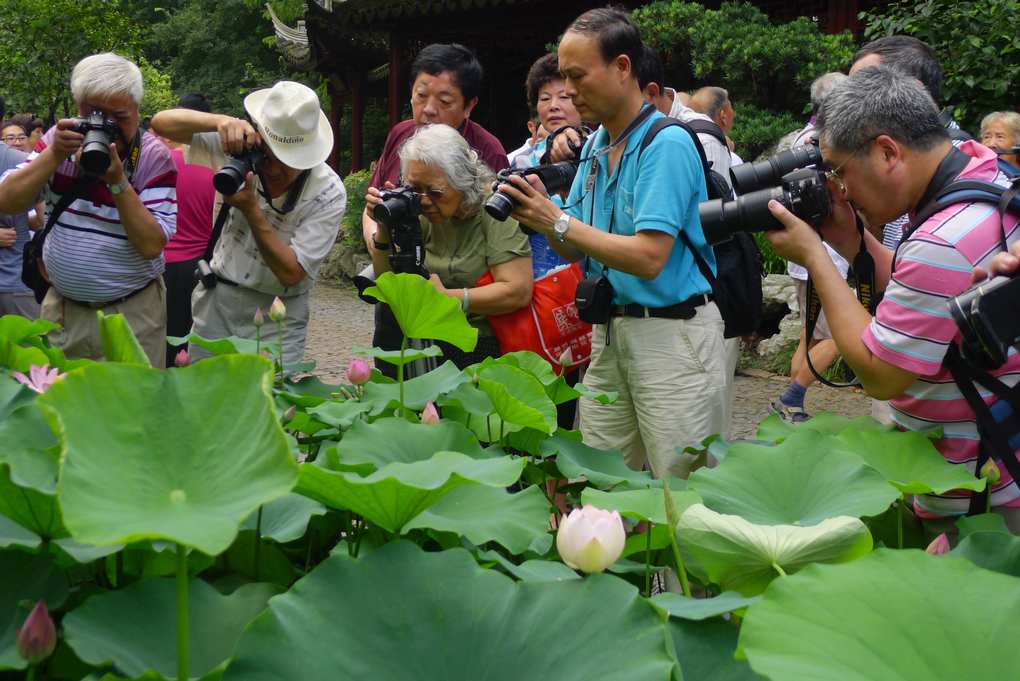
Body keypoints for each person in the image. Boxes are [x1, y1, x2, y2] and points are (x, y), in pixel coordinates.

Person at [763, 65, 1020, 532]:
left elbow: (880, 375)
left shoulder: (940, 241)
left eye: (840, 172)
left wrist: (815, 256)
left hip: (983, 491)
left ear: (887, 152)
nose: (840, 188)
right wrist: (849, 241)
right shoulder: (982, 170)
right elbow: (927, 299)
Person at [500, 8, 727, 479]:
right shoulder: (599, 144)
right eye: (562, 78)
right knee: (600, 481)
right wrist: (542, 213)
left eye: (577, 77)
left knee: (681, 485)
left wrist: (557, 220)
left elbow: (649, 257)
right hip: (609, 334)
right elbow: (574, 247)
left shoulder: (666, 143)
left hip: (673, 334)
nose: (567, 91)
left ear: (622, 67)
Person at [151, 80, 346, 368]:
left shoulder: (328, 191)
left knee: (269, 404)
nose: (278, 169)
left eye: (289, 159)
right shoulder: (239, 152)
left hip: (279, 313)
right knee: (203, 400)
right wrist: (222, 122)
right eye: (271, 156)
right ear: (258, 138)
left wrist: (252, 210)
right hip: (217, 300)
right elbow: (162, 123)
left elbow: (292, 273)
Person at [0, 53, 177, 365]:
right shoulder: (60, 140)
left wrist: (119, 182)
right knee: (64, 407)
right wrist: (53, 155)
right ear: (79, 108)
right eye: (95, 114)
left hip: (132, 312)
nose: (106, 127)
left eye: (118, 117)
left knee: (132, 409)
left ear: (137, 110)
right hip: (64, 310)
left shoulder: (152, 157)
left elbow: (152, 245)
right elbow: (7, 200)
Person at [362, 43, 508, 377]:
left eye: (444, 101)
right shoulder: (401, 134)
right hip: (399, 294)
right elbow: (375, 204)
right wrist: (378, 237)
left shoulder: (488, 153)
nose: (428, 110)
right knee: (395, 387)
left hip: (459, 319)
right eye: (420, 96)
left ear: (469, 105)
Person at [365, 124, 532, 368]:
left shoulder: (495, 207)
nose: (424, 201)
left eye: (434, 192)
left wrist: (448, 298)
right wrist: (384, 226)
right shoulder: (419, 204)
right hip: (426, 340)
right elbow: (386, 280)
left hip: (481, 345)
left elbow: (517, 290)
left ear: (463, 181)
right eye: (414, 189)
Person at [769, 72, 850, 422]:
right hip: (826, 257)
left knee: (812, 337)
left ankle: (790, 406)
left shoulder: (804, 138)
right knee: (844, 336)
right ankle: (792, 396)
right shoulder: (823, 142)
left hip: (807, 257)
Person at [158, 93, 215, 366]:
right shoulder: (221, 169)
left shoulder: (163, 163)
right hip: (203, 267)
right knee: (196, 341)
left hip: (162, 264)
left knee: (164, 341)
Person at [509, 53, 584, 170]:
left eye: (564, 97)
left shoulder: (599, 149)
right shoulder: (523, 162)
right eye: (545, 98)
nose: (553, 106)